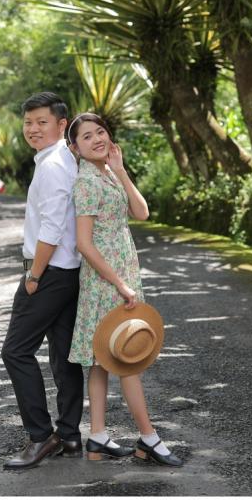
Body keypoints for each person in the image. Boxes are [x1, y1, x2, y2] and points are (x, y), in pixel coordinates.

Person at [67, 112, 183, 467]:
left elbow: (142, 213)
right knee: (127, 358)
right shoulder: (85, 183)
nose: (97, 139)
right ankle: (149, 438)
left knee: (103, 360)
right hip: (108, 283)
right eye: (87, 137)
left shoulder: (107, 175)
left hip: (121, 276)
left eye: (100, 132)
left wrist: (120, 169)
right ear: (74, 148)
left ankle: (98, 436)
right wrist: (119, 283)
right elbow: (84, 244)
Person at [0, 92, 85, 470]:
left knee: (16, 351)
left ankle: (41, 437)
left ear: (61, 124)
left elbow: (51, 226)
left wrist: (34, 275)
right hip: (69, 271)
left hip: (49, 271)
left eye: (41, 122)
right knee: (64, 354)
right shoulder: (65, 158)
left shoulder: (52, 165)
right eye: (28, 123)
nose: (33, 129)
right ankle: (69, 435)